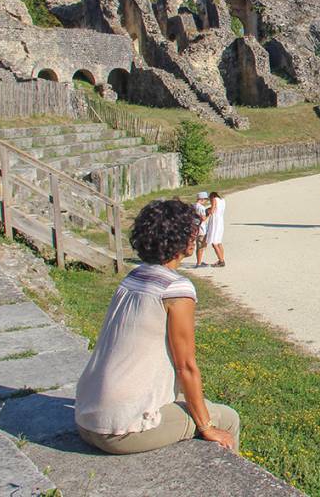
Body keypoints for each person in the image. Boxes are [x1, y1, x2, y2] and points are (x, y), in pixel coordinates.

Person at [74, 199, 239, 455]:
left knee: (189, 405)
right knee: (228, 418)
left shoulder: (133, 277)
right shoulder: (175, 289)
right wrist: (207, 427)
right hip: (120, 429)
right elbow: (186, 366)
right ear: (180, 239)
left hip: (86, 415)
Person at [205, 192, 226, 267]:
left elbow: (212, 210)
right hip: (220, 221)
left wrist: (207, 211)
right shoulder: (222, 200)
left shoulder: (214, 199)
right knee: (219, 242)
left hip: (215, 221)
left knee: (214, 243)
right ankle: (221, 258)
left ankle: (221, 261)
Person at [193, 192, 210, 268]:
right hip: (202, 229)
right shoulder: (201, 208)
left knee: (199, 245)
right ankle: (199, 263)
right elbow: (203, 218)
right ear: (202, 199)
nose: (206, 201)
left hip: (196, 228)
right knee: (201, 246)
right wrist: (209, 214)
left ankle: (199, 261)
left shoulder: (194, 206)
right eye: (206, 199)